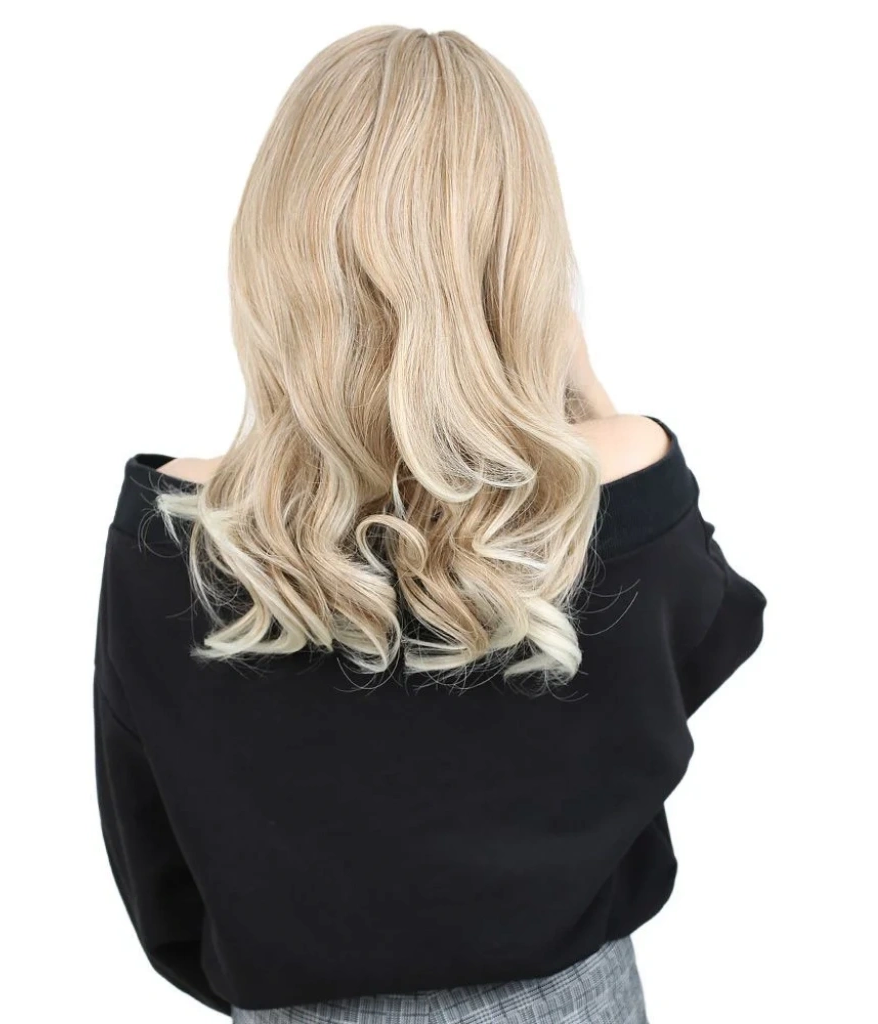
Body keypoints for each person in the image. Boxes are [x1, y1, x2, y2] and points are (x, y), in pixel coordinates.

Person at [92, 25, 767, 1024]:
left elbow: (157, 873)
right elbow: (704, 649)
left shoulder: (175, 530)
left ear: (277, 246)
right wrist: (581, 390)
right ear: (518, 253)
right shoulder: (619, 478)